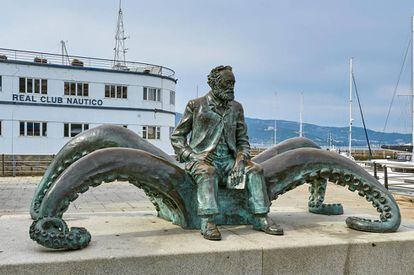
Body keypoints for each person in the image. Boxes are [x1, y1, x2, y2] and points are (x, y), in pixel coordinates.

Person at [171, 65, 283, 240]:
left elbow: (243, 141)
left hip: (229, 161)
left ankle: (261, 217)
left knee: (255, 170)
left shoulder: (236, 108)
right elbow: (177, 137)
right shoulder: (196, 105)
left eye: (233, 83)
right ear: (214, 84)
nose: (231, 88)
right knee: (208, 172)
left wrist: (240, 159)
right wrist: (193, 156)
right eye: (227, 83)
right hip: (202, 161)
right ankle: (207, 221)